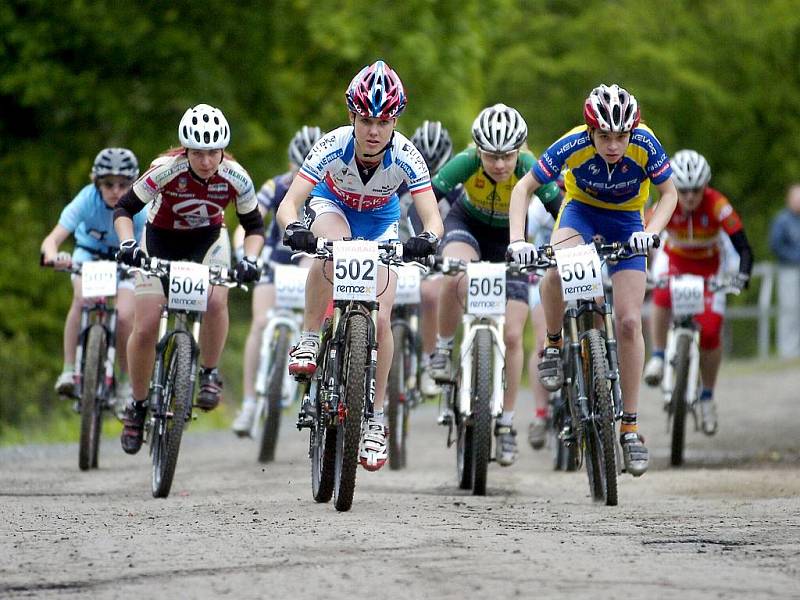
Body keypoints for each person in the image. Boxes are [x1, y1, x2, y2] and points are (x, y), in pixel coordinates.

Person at [276, 60, 444, 472]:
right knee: (327, 246)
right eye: (366, 119)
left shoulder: (407, 155)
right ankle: (311, 335)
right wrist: (296, 229)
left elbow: (433, 218)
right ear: (352, 116)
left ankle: (375, 419)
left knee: (382, 322)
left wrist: (425, 241)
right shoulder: (332, 146)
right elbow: (288, 203)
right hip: (334, 207)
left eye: (383, 121)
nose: (373, 131)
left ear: (395, 122)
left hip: (381, 222)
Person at [507, 84, 678, 476]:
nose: (614, 145)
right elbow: (523, 187)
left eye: (621, 136)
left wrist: (651, 230)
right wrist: (517, 240)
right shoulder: (571, 144)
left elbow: (669, 194)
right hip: (579, 214)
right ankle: (553, 344)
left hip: (628, 222)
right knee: (553, 270)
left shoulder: (646, 143)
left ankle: (631, 428)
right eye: (604, 136)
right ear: (590, 131)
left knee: (630, 321)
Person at [114, 104, 265, 455]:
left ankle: (209, 372)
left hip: (207, 240)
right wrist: (127, 244)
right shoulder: (165, 170)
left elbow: (255, 226)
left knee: (216, 300)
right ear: (186, 150)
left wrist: (251, 259)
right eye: (198, 152)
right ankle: (137, 406)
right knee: (147, 323)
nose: (207, 161)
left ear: (222, 150)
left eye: (213, 152)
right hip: (159, 240)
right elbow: (124, 209)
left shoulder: (237, 177)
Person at [427, 103, 562, 466]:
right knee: (454, 271)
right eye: (490, 156)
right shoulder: (465, 161)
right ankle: (442, 348)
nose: (500, 165)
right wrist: (423, 239)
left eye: (507, 156)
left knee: (514, 336)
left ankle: (505, 424)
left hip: (511, 238)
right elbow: (427, 198)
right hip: (467, 225)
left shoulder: (531, 167)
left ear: (520, 151)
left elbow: (560, 210)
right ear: (478, 150)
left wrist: (563, 248)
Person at [643, 150, 752, 434]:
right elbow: (644, 236)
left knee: (712, 331)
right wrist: (640, 269)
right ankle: (657, 354)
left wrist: (743, 275)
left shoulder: (718, 205)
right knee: (662, 294)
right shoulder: (667, 201)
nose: (689, 197)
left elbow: (743, 246)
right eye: (684, 190)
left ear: (706, 187)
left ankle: (707, 398)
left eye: (696, 190)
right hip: (675, 260)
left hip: (709, 266)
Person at [231, 125, 323, 436]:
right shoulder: (276, 185)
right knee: (259, 324)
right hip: (274, 259)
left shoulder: (330, 188)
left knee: (318, 319)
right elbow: (250, 221)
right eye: (298, 168)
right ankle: (247, 403)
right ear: (290, 165)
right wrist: (242, 253)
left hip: (307, 259)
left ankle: (316, 393)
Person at [41, 148, 145, 409]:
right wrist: (53, 256)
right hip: (90, 254)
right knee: (81, 300)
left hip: (125, 259)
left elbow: (147, 244)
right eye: (108, 184)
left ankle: (124, 381)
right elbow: (52, 240)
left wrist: (143, 265)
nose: (116, 191)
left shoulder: (141, 206)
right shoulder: (87, 199)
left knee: (124, 316)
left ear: (133, 184)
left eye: (123, 184)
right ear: (97, 182)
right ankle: (68, 369)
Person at [402, 120, 455, 398]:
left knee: (431, 295)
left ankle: (428, 357)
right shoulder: (399, 178)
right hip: (400, 249)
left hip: (438, 254)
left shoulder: (455, 187)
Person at [769, 183, 800, 359]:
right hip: (789, 271)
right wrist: (795, 258)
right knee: (789, 311)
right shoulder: (782, 220)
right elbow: (776, 245)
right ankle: (788, 352)